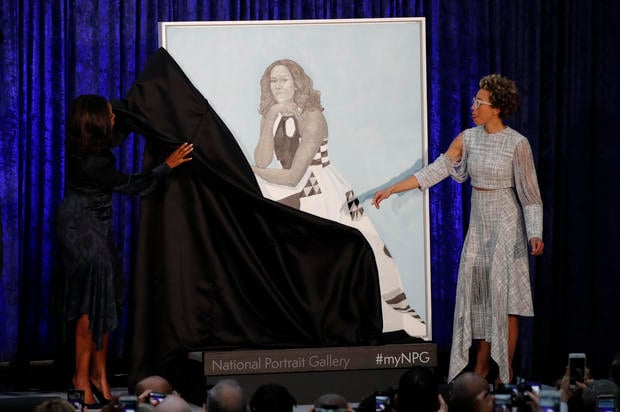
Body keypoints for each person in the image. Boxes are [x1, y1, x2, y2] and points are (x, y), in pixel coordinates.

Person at [372, 74, 544, 384]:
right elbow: (437, 169)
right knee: (479, 300)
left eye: (480, 102)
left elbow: (531, 196)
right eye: (475, 100)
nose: (473, 106)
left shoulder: (517, 143)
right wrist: (394, 188)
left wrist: (535, 232)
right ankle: (479, 369)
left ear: (498, 108)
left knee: (506, 304)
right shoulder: (468, 138)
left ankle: (504, 377)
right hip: (479, 227)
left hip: (507, 225)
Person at [251, 58, 425, 336]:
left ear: (297, 82)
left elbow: (294, 175)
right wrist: (271, 116)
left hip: (320, 190)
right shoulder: (272, 114)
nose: (278, 85)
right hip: (291, 189)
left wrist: (252, 173)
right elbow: (262, 157)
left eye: (284, 79)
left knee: (333, 259)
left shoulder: (312, 117)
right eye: (273, 80)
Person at [55, 94, 193, 407]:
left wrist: (135, 109)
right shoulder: (94, 160)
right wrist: (166, 166)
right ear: (98, 123)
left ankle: (98, 375)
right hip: (81, 229)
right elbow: (131, 185)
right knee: (89, 305)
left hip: (93, 225)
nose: (114, 118)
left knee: (105, 299)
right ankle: (80, 377)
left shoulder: (90, 146)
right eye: (109, 115)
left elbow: (118, 126)